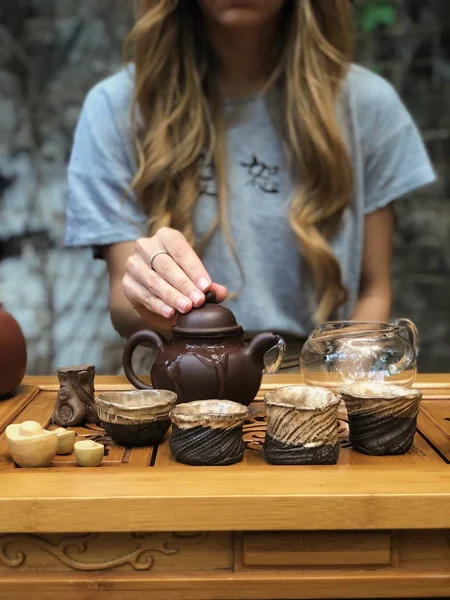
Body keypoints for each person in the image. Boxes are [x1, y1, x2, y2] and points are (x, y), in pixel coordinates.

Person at [66, 0, 435, 370]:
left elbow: (374, 288)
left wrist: (342, 382)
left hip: (318, 380)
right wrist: (156, 303)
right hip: (181, 374)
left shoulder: (367, 106)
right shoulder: (118, 109)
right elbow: (122, 301)